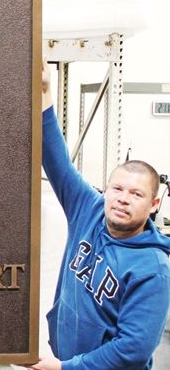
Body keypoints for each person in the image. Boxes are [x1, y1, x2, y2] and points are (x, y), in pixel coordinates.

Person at [32, 61, 170, 370]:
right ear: (106, 189)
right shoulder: (90, 211)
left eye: (136, 194)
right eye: (118, 189)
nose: (123, 199)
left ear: (153, 204)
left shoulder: (153, 270)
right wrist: (43, 92)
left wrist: (67, 368)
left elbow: (131, 351)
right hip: (67, 360)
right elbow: (57, 162)